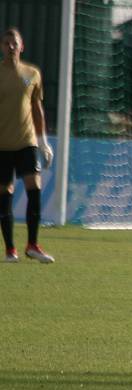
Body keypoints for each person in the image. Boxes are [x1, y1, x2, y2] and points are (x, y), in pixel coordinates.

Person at [0, 27, 55, 263]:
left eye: (14, 43)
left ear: (22, 47)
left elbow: (37, 109)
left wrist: (43, 142)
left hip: (27, 142)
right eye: (6, 43)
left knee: (35, 188)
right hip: (2, 145)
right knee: (5, 193)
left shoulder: (32, 73)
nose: (10, 46)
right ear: (2, 47)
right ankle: (10, 250)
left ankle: (33, 245)